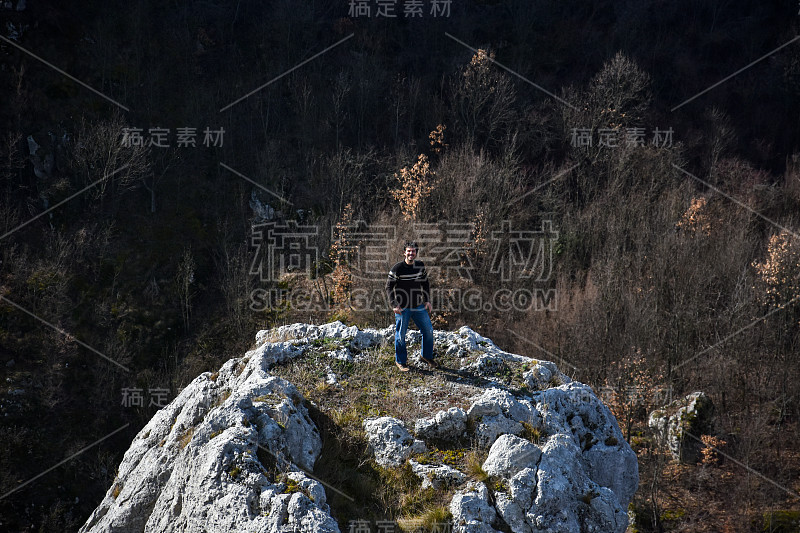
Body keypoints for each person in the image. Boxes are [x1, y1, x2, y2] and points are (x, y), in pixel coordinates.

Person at [386, 241, 437, 372]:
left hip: (418, 305)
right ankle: (401, 361)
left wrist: (427, 301)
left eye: (413, 251)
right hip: (403, 307)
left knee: (428, 331)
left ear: (416, 253)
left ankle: (426, 356)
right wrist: (394, 304)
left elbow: (425, 283)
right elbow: (389, 287)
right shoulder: (397, 268)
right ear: (404, 252)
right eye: (408, 251)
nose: (411, 253)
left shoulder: (420, 266)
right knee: (400, 335)